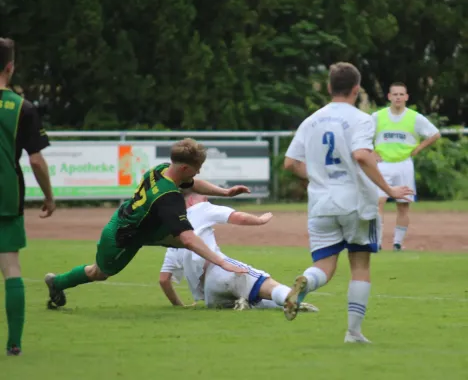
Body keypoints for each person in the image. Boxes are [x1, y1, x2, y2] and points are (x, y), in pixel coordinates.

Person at [282, 62, 413, 343]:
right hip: (356, 203)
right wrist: (388, 188)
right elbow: (362, 156)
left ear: (329, 87)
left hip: (320, 204)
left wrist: (318, 176)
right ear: (356, 89)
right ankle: (353, 332)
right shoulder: (362, 119)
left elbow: (290, 163)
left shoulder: (311, 120)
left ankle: (306, 281)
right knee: (360, 266)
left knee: (324, 266)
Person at [44, 138, 250, 310]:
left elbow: (193, 184)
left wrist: (225, 192)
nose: (198, 173)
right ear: (185, 167)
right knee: (99, 272)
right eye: (197, 168)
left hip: (144, 225)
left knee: (196, 241)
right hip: (124, 236)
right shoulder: (168, 197)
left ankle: (219, 288)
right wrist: (221, 262)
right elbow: (187, 238)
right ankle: (57, 282)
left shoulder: (162, 170)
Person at [159, 191, 319, 313]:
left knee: (256, 300)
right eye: (204, 197)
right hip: (222, 272)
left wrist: (179, 306)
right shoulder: (201, 208)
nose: (207, 200)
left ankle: (243, 302)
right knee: (266, 284)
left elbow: (164, 279)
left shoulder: (175, 235)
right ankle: (289, 296)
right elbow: (238, 217)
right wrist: (261, 220)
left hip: (210, 295)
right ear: (191, 200)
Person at [0, 38, 55, 356]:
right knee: (11, 268)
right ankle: (14, 343)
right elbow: (36, 160)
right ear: (10, 67)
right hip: (6, 196)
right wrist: (49, 197)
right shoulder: (24, 108)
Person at [372, 83, 440, 251]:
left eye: (401, 94)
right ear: (389, 96)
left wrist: (418, 148)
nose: (398, 97)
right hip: (382, 165)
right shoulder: (377, 117)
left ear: (406, 97)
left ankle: (397, 243)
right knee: (378, 202)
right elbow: (361, 134)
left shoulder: (414, 118)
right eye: (395, 94)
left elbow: (435, 134)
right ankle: (377, 243)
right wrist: (371, 151)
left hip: (404, 164)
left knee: (403, 205)